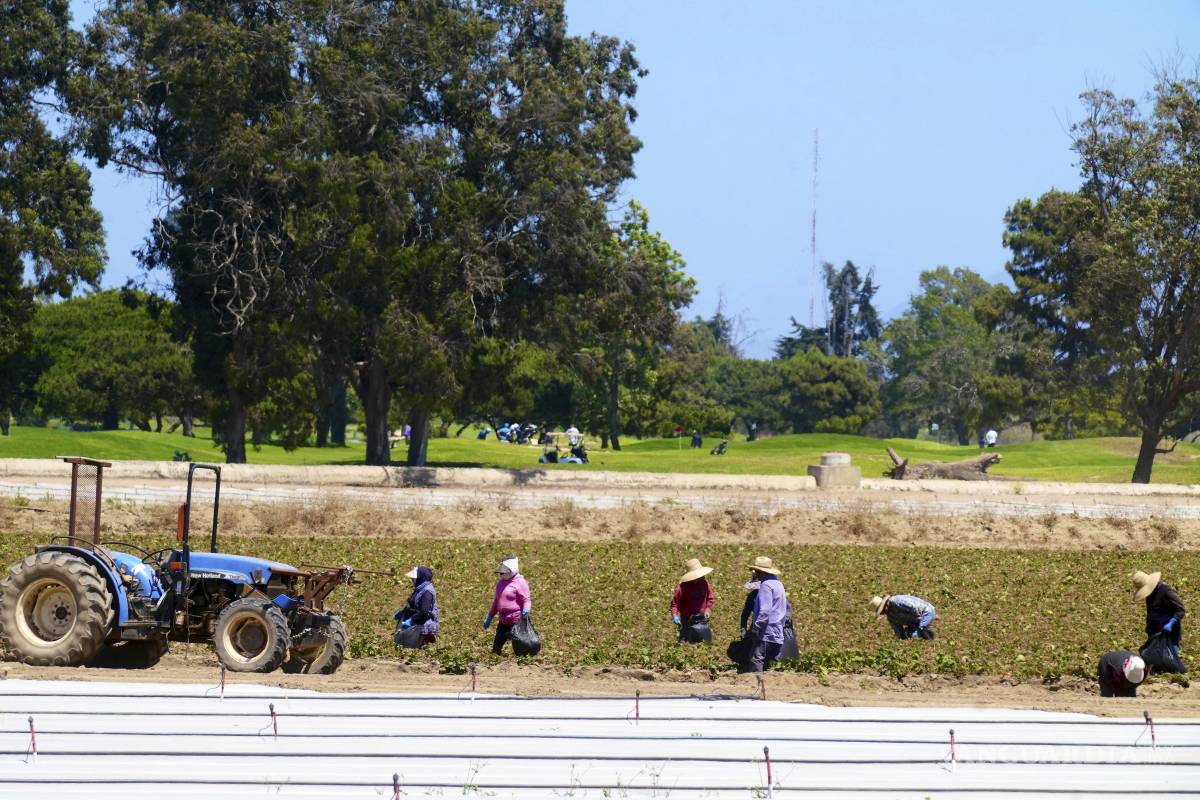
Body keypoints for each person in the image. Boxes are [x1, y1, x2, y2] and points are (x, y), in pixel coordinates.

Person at [744, 556, 787, 673]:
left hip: (766, 631)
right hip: (777, 630)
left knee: (756, 659)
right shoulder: (778, 584)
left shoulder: (766, 585)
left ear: (760, 572)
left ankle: (755, 684)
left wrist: (756, 627)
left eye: (756, 571)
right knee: (773, 661)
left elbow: (765, 611)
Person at [483, 556, 531, 655]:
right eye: (500, 573)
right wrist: (489, 617)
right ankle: (495, 658)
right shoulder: (500, 584)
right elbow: (496, 602)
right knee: (497, 644)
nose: (501, 575)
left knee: (519, 645)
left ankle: (521, 663)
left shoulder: (520, 582)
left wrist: (526, 609)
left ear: (512, 570)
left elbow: (526, 599)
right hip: (503, 619)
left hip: (516, 619)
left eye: (503, 573)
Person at [1133, 570, 1185, 655]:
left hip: (1169, 631)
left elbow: (1181, 609)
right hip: (1155, 632)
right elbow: (1152, 611)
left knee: (1170, 656)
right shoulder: (1149, 595)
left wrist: (1171, 623)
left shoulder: (1167, 592)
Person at [671, 558, 714, 643]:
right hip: (686, 620)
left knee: (703, 643)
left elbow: (710, 598)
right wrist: (675, 615)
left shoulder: (705, 584)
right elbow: (675, 604)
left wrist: (708, 610)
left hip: (702, 619)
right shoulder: (682, 588)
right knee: (683, 641)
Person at [394, 565, 439, 646]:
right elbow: (413, 604)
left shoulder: (427, 592)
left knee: (409, 646)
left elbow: (424, 612)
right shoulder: (419, 589)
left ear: (420, 578)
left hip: (422, 626)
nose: (412, 579)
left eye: (414, 578)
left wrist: (411, 620)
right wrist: (403, 612)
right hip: (416, 622)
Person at [870, 594, 937, 640]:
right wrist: (905, 637)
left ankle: (930, 638)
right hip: (916, 623)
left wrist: (919, 625)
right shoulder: (890, 617)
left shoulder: (896, 601)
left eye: (882, 610)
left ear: (885, 606)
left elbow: (914, 608)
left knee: (920, 631)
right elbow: (900, 633)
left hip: (926, 613)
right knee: (910, 635)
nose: (883, 613)